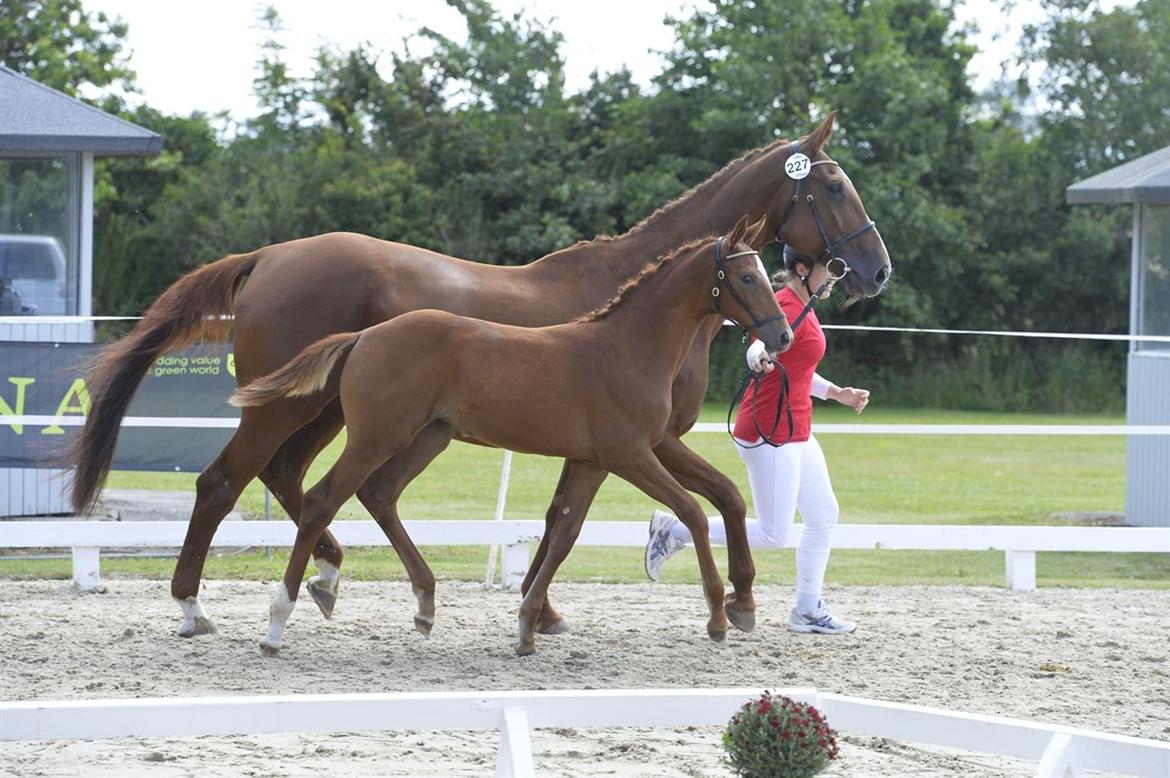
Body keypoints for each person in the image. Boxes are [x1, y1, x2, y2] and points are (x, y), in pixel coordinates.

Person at [643, 246, 870, 634]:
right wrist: (756, 357)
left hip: (797, 429)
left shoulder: (806, 305)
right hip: (769, 432)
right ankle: (674, 531)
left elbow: (798, 369)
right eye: (826, 269)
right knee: (772, 534)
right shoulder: (782, 303)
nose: (833, 277)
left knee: (823, 516)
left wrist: (837, 393)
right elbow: (757, 347)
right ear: (802, 269)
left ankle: (807, 609)